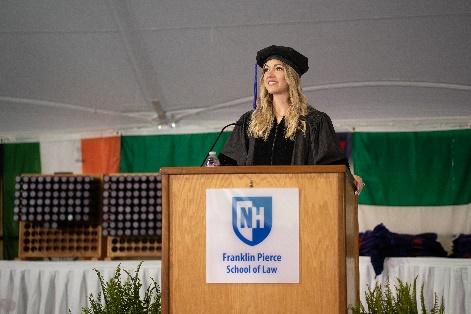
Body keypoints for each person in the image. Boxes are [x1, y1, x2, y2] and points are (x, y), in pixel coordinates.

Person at [219, 45, 364, 192]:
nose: (269, 74)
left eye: (278, 68)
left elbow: (333, 167)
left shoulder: (313, 121)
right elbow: (227, 164)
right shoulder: (250, 121)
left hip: (298, 205)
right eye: (266, 69)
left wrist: (349, 178)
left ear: (291, 76)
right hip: (256, 207)